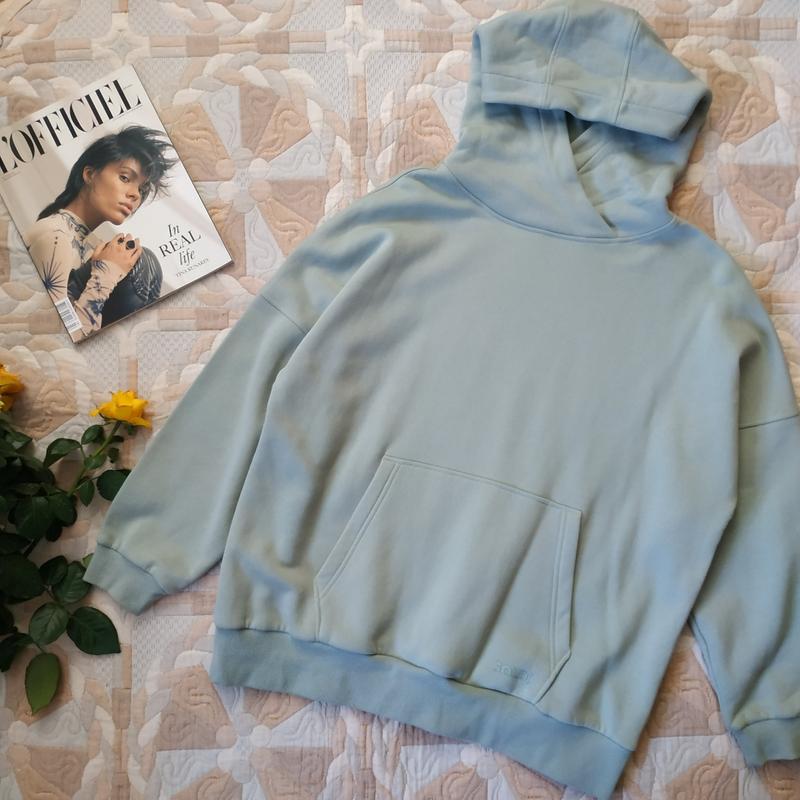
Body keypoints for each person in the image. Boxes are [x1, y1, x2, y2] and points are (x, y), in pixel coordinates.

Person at [25, 125, 177, 338]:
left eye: (141, 189)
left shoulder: (88, 243)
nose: (135, 194)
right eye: (125, 178)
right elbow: (60, 337)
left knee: (142, 262)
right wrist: (107, 274)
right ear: (89, 174)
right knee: (143, 264)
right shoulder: (55, 237)